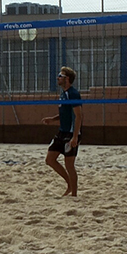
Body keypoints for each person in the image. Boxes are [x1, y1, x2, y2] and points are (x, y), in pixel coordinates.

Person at [42, 65, 82, 197]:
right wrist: (52, 119)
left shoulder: (73, 94)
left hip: (71, 133)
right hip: (61, 132)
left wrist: (75, 137)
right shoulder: (63, 94)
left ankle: (74, 194)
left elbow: (78, 116)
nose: (58, 78)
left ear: (67, 79)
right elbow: (65, 114)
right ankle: (69, 184)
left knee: (69, 164)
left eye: (60, 76)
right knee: (50, 159)